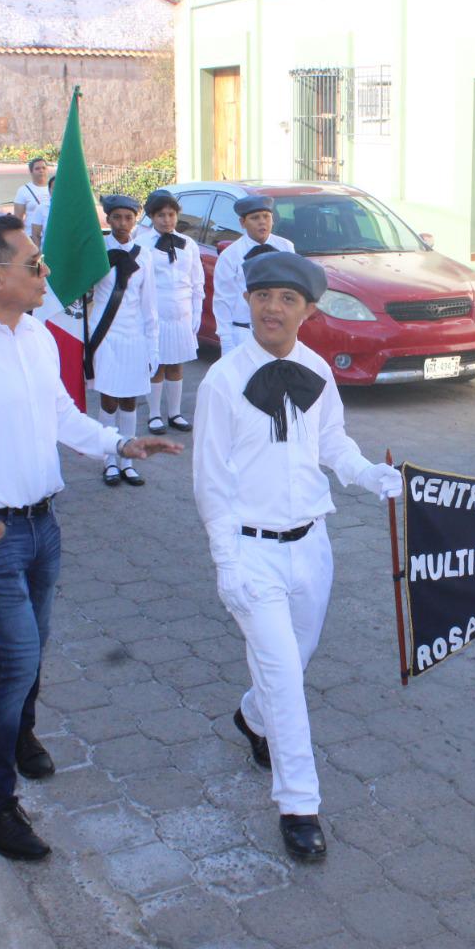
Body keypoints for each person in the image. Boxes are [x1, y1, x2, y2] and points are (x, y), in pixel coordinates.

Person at [0, 215, 182, 861]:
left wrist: (118, 442)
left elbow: (59, 414)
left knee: (34, 648)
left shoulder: (37, 337)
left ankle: (21, 736)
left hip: (42, 524)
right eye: (34, 265)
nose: (46, 273)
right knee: (14, 660)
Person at [192, 251, 401, 861]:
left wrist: (367, 475)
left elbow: (331, 440)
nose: (272, 309)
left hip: (312, 547)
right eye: (263, 297)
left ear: (308, 311)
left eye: (287, 299)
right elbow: (211, 482)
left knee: (292, 664)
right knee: (285, 677)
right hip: (253, 553)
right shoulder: (222, 381)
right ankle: (299, 805)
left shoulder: (317, 370)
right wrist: (225, 562)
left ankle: (252, 718)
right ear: (247, 302)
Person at [86, 195, 158, 487]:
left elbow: (149, 304)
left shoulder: (145, 255)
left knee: (130, 400)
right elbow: (85, 290)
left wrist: (152, 346)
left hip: (134, 335)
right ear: (108, 219)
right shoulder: (97, 250)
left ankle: (128, 460)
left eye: (129, 218)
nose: (123, 224)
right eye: (117, 217)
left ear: (135, 219)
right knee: (109, 399)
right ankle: (109, 460)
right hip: (106, 334)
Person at [141, 189, 201, 434]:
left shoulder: (189, 244)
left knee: (176, 364)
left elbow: (197, 281)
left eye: (171, 214)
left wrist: (196, 311)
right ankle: (154, 414)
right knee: (157, 365)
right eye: (161, 215)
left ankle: (174, 413)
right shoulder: (142, 244)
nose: (167, 220)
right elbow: (139, 284)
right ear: (152, 217)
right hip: (156, 313)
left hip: (182, 312)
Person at [212, 195, 295, 352]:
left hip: (280, 332)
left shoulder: (286, 247)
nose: (262, 222)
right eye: (255, 218)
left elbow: (294, 292)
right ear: (243, 223)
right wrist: (226, 340)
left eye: (266, 216)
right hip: (244, 333)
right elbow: (223, 300)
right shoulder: (231, 255)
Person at [11, 157, 50, 227]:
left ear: (47, 170)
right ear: (31, 172)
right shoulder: (23, 191)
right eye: (37, 168)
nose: (41, 170)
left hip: (51, 233)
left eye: (44, 168)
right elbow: (18, 218)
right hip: (31, 235)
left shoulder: (54, 189)